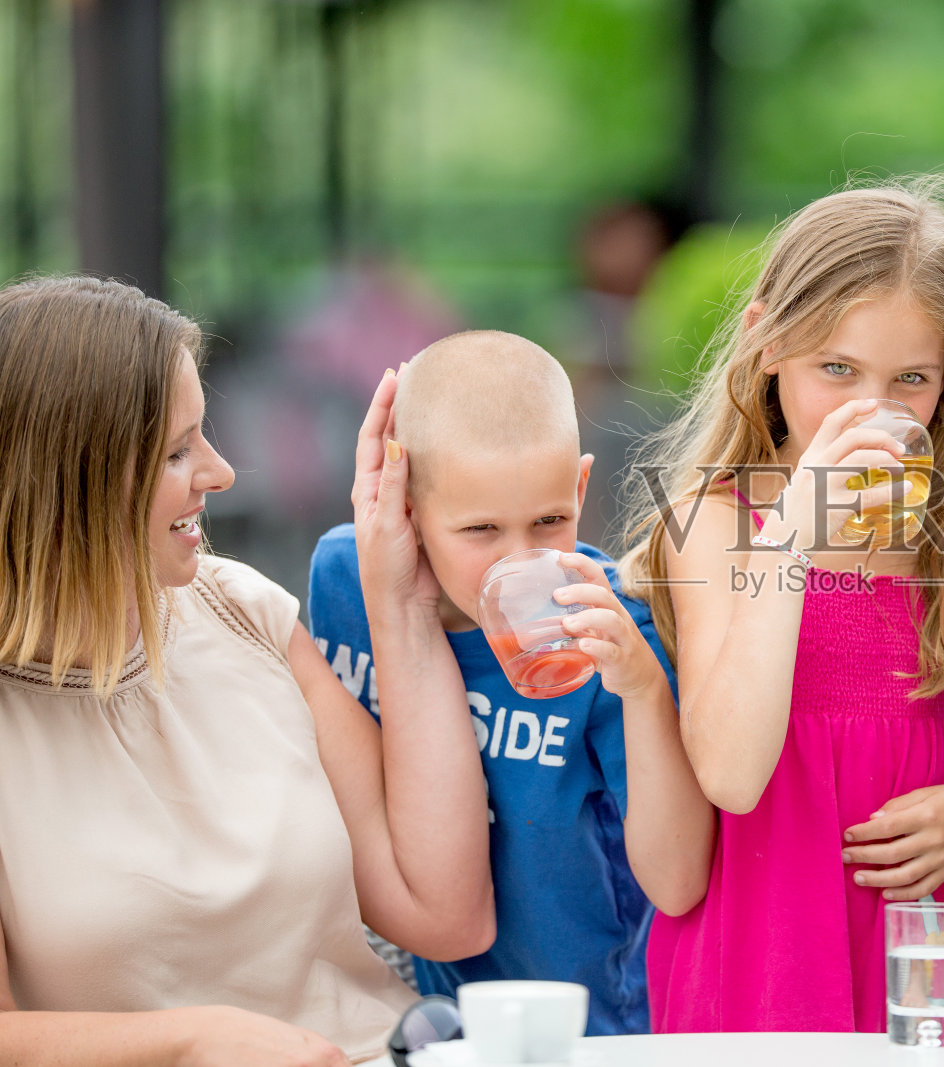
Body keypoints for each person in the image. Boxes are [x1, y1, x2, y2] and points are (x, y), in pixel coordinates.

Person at [0, 275, 494, 1066]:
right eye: (175, 451)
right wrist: (195, 1039)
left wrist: (398, 599)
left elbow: (444, 911)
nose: (222, 472)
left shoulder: (244, 612)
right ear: (68, 480)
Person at [622, 180, 944, 1033]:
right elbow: (729, 772)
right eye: (835, 369)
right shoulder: (718, 525)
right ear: (767, 341)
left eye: (909, 379)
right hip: (757, 961)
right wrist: (794, 532)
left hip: (909, 958)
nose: (868, 408)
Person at [307, 331, 713, 1036]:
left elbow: (679, 882)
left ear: (581, 488)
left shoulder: (612, 630)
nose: (520, 557)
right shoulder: (348, 579)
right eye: (481, 528)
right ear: (403, 504)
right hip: (438, 1018)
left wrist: (643, 688)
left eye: (550, 521)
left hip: (601, 1028)